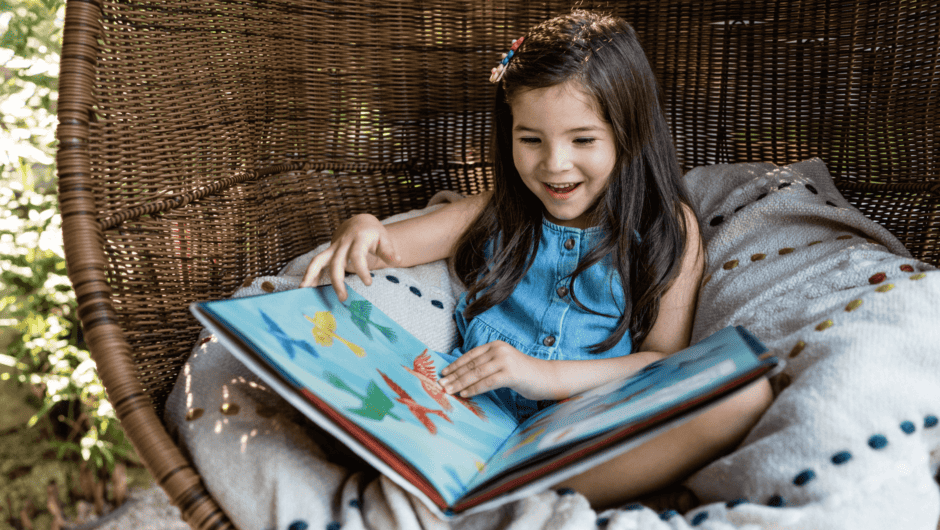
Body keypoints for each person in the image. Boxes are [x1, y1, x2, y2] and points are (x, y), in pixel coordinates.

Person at [301, 9, 772, 509]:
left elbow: (663, 363)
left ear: (629, 131)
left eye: (583, 139)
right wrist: (362, 227)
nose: (554, 164)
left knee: (746, 397)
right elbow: (391, 246)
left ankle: (498, 504)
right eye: (531, 140)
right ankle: (489, 502)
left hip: (582, 423)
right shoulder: (499, 210)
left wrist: (545, 376)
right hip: (467, 421)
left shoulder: (665, 228)